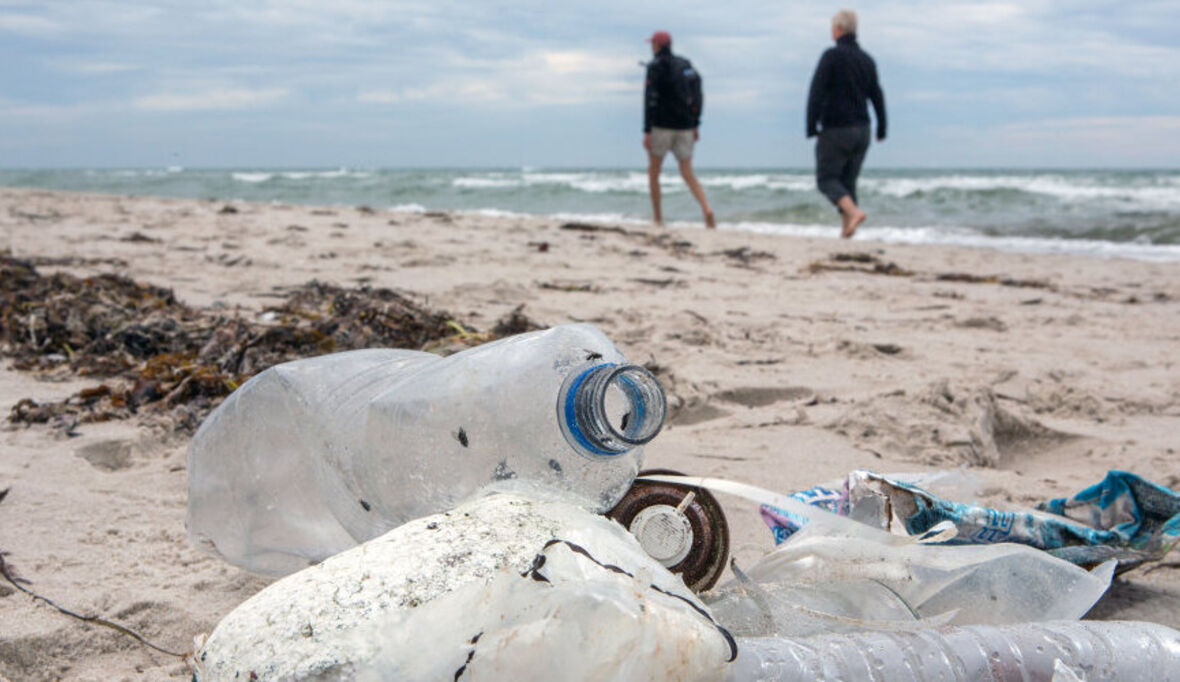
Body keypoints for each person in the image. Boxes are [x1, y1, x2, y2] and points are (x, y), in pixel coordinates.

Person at [806, 9, 886, 239]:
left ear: (838, 30)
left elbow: (817, 91)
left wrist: (811, 125)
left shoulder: (831, 56)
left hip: (836, 128)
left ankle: (852, 212)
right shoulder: (867, 60)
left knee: (826, 179)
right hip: (863, 130)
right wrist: (882, 127)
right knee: (848, 182)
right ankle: (846, 233)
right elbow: (877, 95)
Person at [643, 30, 715, 229]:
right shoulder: (686, 65)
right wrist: (695, 123)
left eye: (652, 44)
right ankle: (706, 208)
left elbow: (649, 99)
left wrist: (647, 130)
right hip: (685, 126)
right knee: (687, 171)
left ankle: (658, 218)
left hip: (661, 126)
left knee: (654, 172)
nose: (651, 47)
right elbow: (698, 94)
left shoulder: (654, 67)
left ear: (657, 45)